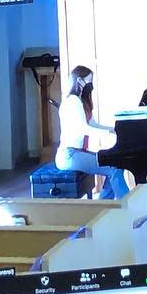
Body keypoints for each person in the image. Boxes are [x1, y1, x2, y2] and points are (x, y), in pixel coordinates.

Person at [55, 65, 130, 199]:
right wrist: (108, 135)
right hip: (69, 155)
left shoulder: (81, 101)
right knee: (114, 169)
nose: (90, 84)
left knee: (115, 165)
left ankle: (105, 206)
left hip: (78, 152)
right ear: (79, 81)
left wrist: (115, 129)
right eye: (88, 80)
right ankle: (128, 206)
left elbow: (93, 124)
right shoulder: (72, 101)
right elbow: (84, 129)